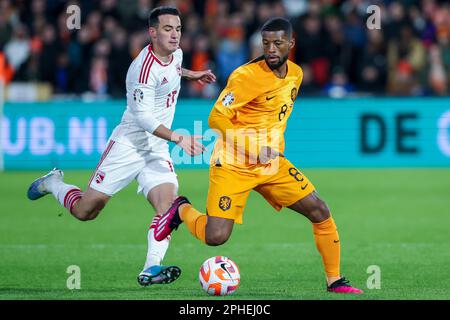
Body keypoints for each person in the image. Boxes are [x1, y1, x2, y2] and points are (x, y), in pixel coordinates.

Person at [154, 17, 363, 294]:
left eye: (278, 43)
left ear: (291, 43)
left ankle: (335, 281)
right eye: (266, 44)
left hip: (270, 165)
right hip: (232, 164)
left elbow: (274, 117)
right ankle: (180, 209)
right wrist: (254, 148)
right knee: (216, 237)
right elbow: (216, 117)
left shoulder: (296, 75)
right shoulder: (245, 77)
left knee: (319, 210)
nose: (272, 49)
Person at [27, 6, 216, 287]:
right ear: (152, 32)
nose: (175, 34)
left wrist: (192, 74)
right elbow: (143, 118)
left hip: (156, 148)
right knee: (86, 211)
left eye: (178, 28)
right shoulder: (141, 70)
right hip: (129, 144)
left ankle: (151, 268)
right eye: (167, 29)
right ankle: (54, 183)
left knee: (167, 206)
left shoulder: (176, 53)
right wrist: (179, 137)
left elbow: (173, 69)